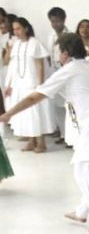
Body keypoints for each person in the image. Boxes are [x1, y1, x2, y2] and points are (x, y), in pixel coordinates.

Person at [1, 33, 89, 234]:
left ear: (65, 53)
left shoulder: (69, 70)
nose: (57, 55)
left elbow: (35, 97)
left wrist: (9, 114)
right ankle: (83, 211)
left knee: (83, 172)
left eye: (59, 51)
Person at [4, 17, 55, 153]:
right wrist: (9, 85)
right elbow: (12, 66)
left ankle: (41, 142)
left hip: (32, 84)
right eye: (14, 29)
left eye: (18, 29)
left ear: (26, 28)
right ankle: (31, 141)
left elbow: (40, 66)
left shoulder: (35, 43)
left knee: (35, 113)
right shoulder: (16, 44)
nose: (16, 32)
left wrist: (39, 85)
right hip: (19, 84)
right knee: (24, 114)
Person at [46, 7, 68, 144]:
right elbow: (49, 55)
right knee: (57, 105)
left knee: (68, 105)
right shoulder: (50, 36)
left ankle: (70, 136)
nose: (55, 24)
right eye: (52, 21)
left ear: (63, 20)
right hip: (55, 72)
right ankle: (62, 133)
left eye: (57, 21)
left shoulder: (69, 35)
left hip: (66, 72)